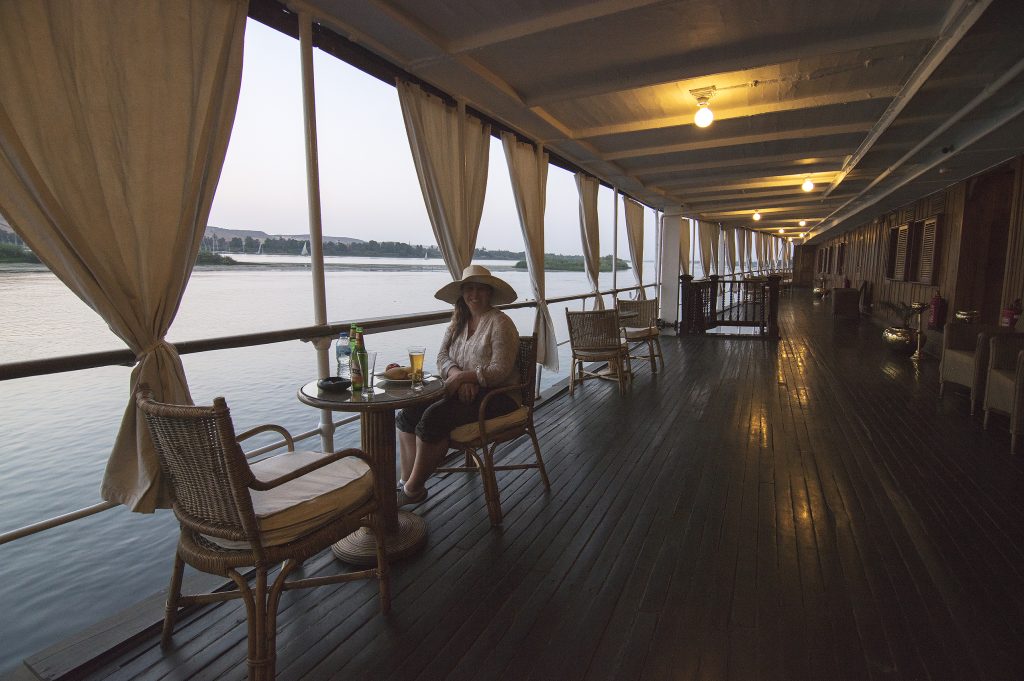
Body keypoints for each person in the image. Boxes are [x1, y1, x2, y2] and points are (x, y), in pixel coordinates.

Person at [396, 265, 520, 505]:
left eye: (480, 289)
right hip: (461, 389)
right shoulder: (457, 323)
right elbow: (442, 357)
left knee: (434, 418)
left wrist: (465, 378)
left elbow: (500, 370)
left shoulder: (500, 323)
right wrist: (457, 374)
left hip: (499, 395)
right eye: (469, 289)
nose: (474, 295)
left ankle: (413, 490)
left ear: (490, 293)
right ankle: (406, 481)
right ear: (462, 293)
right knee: (407, 415)